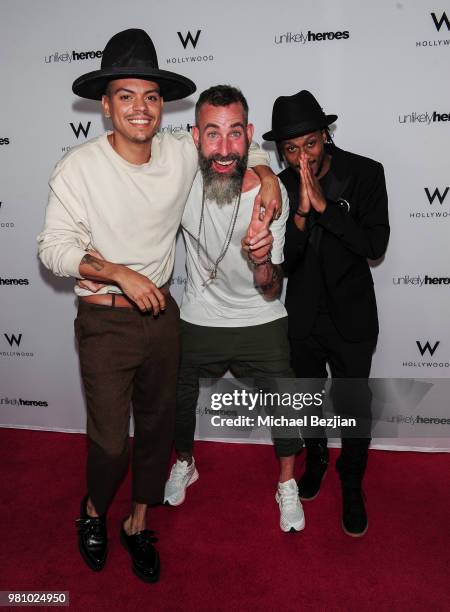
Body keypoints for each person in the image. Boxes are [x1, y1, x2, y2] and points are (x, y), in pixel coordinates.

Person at [37, 29, 280, 583]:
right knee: (107, 439)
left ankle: (137, 522)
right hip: (104, 319)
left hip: (162, 318)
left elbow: (233, 143)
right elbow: (53, 249)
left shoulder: (177, 153)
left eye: (150, 96)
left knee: (155, 430)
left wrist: (264, 172)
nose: (140, 108)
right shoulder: (79, 167)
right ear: (105, 105)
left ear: (162, 105)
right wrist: (117, 272)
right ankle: (95, 510)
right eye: (125, 95)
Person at [163, 85, 304, 533]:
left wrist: (262, 259)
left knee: (285, 397)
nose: (224, 149)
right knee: (178, 398)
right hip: (200, 314)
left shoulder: (270, 198)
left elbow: (270, 291)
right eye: (212, 134)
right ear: (194, 137)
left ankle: (286, 485)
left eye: (235, 134)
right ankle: (186, 461)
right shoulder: (177, 184)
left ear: (250, 135)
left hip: (258, 317)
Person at [262, 90, 389, 537]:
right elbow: (287, 263)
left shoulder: (367, 173)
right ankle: (316, 459)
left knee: (354, 404)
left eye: (310, 144)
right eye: (291, 149)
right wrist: (299, 211)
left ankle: (351, 480)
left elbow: (375, 246)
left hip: (352, 316)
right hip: (303, 318)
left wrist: (325, 209)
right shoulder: (280, 185)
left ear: (326, 136)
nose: (303, 157)